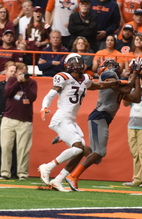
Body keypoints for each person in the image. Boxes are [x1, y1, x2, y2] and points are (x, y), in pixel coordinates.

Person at [38, 53, 129, 191]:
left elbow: (99, 85)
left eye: (79, 62)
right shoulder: (64, 77)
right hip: (61, 117)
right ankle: (48, 166)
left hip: (71, 120)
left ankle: (58, 180)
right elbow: (51, 94)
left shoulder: (86, 78)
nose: (77, 65)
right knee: (78, 148)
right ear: (68, 65)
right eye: (73, 63)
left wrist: (119, 82)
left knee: (81, 152)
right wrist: (44, 107)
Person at [64, 60, 142, 192]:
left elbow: (136, 98)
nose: (113, 68)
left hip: (102, 118)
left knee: (97, 158)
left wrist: (138, 77)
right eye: (111, 65)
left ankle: (75, 143)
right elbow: (127, 88)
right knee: (100, 152)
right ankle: (73, 176)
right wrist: (134, 73)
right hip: (99, 116)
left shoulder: (118, 84)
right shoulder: (107, 74)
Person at [0, 63, 38, 181]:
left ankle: (22, 174)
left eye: (24, 72)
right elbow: (7, 93)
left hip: (25, 121)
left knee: (23, 148)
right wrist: (18, 82)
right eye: (20, 72)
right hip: (9, 119)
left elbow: (32, 98)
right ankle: (5, 172)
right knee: (6, 146)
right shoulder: (11, 80)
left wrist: (25, 83)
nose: (22, 74)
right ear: (15, 73)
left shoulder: (32, 82)